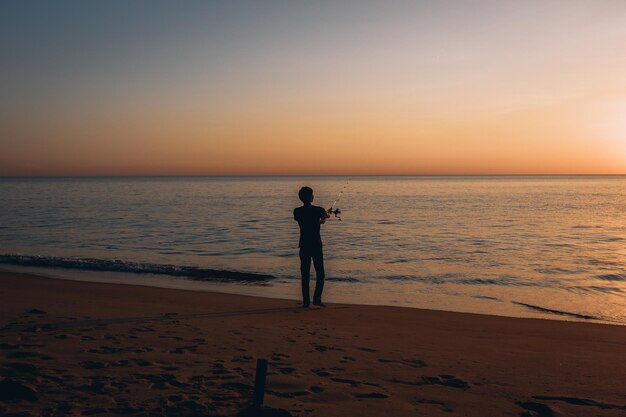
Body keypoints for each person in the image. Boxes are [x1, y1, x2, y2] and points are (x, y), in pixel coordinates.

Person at [293, 186, 330, 307]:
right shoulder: (318, 210)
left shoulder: (297, 211)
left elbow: (306, 220)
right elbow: (322, 220)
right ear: (311, 197)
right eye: (312, 194)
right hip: (316, 245)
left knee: (305, 273)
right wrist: (325, 216)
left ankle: (306, 301)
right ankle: (317, 299)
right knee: (320, 273)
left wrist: (321, 217)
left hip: (304, 245)